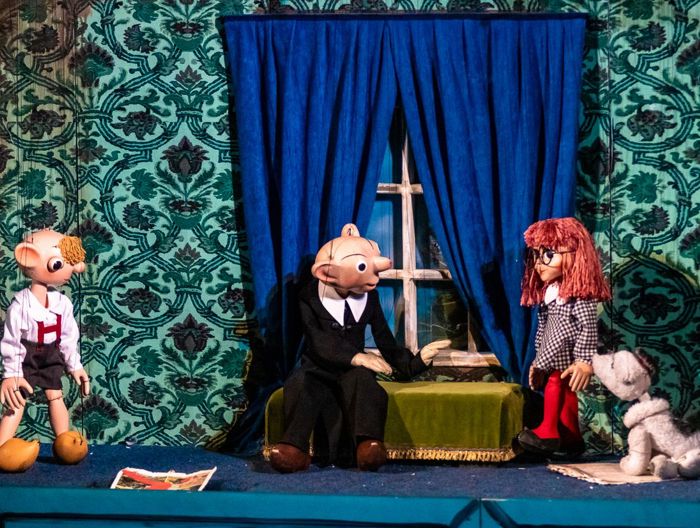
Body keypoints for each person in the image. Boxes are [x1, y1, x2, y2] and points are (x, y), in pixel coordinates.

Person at [268, 224, 445, 473]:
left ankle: (368, 445)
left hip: (353, 372)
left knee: (365, 384)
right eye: (363, 266)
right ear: (327, 273)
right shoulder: (309, 296)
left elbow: (384, 338)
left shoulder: (368, 296)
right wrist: (357, 357)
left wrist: (416, 362)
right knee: (302, 385)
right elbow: (318, 341)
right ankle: (293, 447)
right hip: (318, 367)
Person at [517, 217, 611, 455]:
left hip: (566, 351)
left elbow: (588, 328)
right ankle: (571, 437)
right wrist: (539, 359)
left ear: (574, 255)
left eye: (548, 255)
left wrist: (584, 360)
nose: (539, 264)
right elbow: (544, 326)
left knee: (556, 383)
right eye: (536, 255)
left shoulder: (578, 297)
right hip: (552, 352)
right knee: (566, 391)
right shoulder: (551, 292)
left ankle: (548, 431)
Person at [0, 229, 90, 448]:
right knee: (17, 400)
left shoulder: (62, 303)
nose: (72, 270)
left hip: (51, 354)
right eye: (59, 263)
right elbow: (11, 341)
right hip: (26, 356)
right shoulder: (21, 305)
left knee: (55, 395)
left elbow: (68, 337)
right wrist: (11, 373)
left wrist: (75, 365)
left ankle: (65, 444)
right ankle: (2, 445)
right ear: (28, 257)